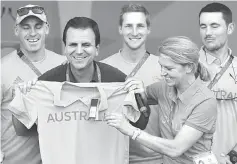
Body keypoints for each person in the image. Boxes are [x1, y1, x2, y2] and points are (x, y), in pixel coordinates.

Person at [11, 17, 149, 163]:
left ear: (97, 49)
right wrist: (22, 98)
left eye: (86, 44)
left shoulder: (118, 81)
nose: (78, 51)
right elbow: (22, 130)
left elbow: (140, 124)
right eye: (73, 45)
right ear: (65, 48)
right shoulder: (46, 83)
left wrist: (141, 96)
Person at [105, 36, 217, 164]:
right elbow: (139, 96)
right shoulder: (163, 87)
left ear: (189, 67)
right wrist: (139, 89)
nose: (162, 73)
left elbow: (176, 149)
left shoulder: (205, 101)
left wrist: (130, 130)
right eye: (161, 66)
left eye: (169, 68)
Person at [1, 4, 66, 164]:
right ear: (16, 30)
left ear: (47, 28)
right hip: (13, 159)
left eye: (38, 26)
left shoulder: (64, 64)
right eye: (25, 27)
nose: (32, 33)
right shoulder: (2, 68)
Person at [101, 3, 162, 164]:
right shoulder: (103, 68)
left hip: (153, 158)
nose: (134, 32)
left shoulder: (163, 68)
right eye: (128, 26)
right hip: (112, 157)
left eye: (140, 26)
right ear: (120, 29)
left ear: (148, 29)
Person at [198, 2, 237, 164]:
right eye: (203, 26)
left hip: (228, 159)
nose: (208, 33)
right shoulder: (185, 67)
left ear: (230, 28)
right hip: (188, 159)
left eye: (214, 26)